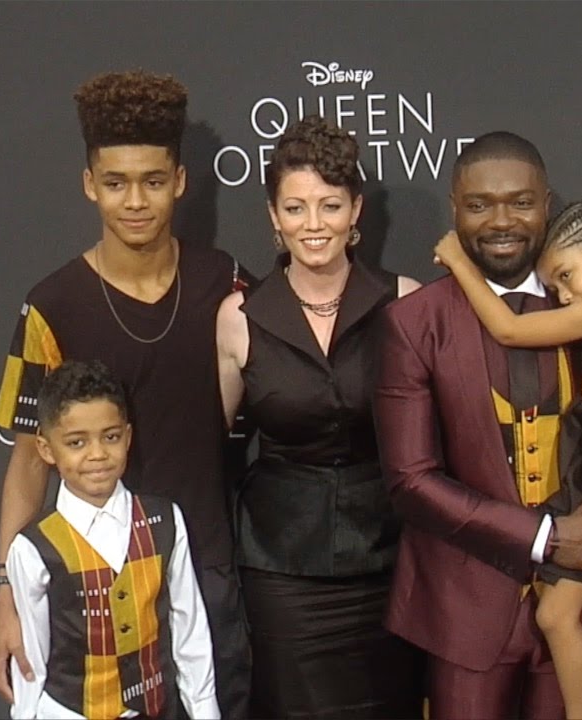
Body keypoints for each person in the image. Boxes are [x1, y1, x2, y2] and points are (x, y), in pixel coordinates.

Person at [0, 70, 251, 718]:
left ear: (180, 181)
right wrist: (5, 591)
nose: (135, 201)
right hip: (87, 591)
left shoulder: (227, 282)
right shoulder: (50, 305)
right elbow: (27, 459)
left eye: (153, 181)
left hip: (208, 572)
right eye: (115, 183)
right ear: (89, 184)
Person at [373, 131, 582, 720]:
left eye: (521, 203)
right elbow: (411, 480)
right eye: (479, 205)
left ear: (546, 205)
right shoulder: (414, 321)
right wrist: (545, 537)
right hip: (465, 611)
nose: (501, 221)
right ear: (455, 209)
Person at [433, 200, 582, 719]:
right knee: (553, 597)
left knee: (555, 616)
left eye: (566, 277)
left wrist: (458, 260)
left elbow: (510, 330)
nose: (564, 297)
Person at [215, 115, 424, 719]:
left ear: (355, 211)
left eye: (329, 206)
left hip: (391, 561)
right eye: (295, 208)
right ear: (273, 216)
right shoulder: (239, 317)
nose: (313, 225)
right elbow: (215, 446)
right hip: (281, 570)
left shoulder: (405, 302)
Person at [5, 359, 218, 719]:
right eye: (76, 442)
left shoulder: (165, 521)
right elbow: (32, 660)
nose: (97, 454)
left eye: (111, 437)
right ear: (46, 448)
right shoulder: (32, 548)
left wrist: (204, 712)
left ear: (128, 437)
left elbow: (190, 629)